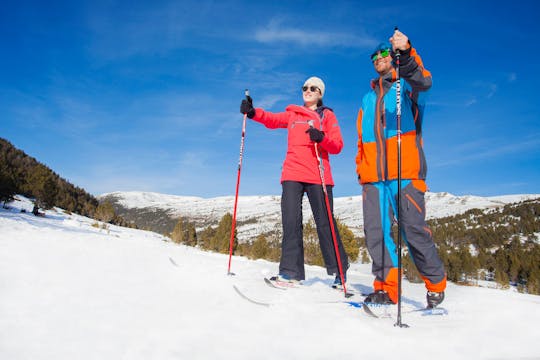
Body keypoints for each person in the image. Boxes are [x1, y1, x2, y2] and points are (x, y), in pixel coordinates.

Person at [355, 29, 447, 308]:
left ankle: (435, 282)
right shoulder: (367, 99)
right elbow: (361, 139)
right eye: (374, 57)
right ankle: (386, 288)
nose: (378, 58)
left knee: (413, 230)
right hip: (374, 177)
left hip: (405, 172)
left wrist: (406, 53)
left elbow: (424, 82)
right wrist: (362, 169)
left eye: (384, 53)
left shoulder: (405, 86)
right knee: (376, 233)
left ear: (392, 57)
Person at [240, 76, 349, 288]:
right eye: (305, 87)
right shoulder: (293, 114)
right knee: (290, 222)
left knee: (325, 224)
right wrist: (253, 113)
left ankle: (339, 272)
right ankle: (291, 272)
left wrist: (321, 138)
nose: (307, 90)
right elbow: (271, 119)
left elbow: (337, 145)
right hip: (292, 173)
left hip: (318, 174)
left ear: (320, 93)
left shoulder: (327, 115)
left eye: (313, 88)